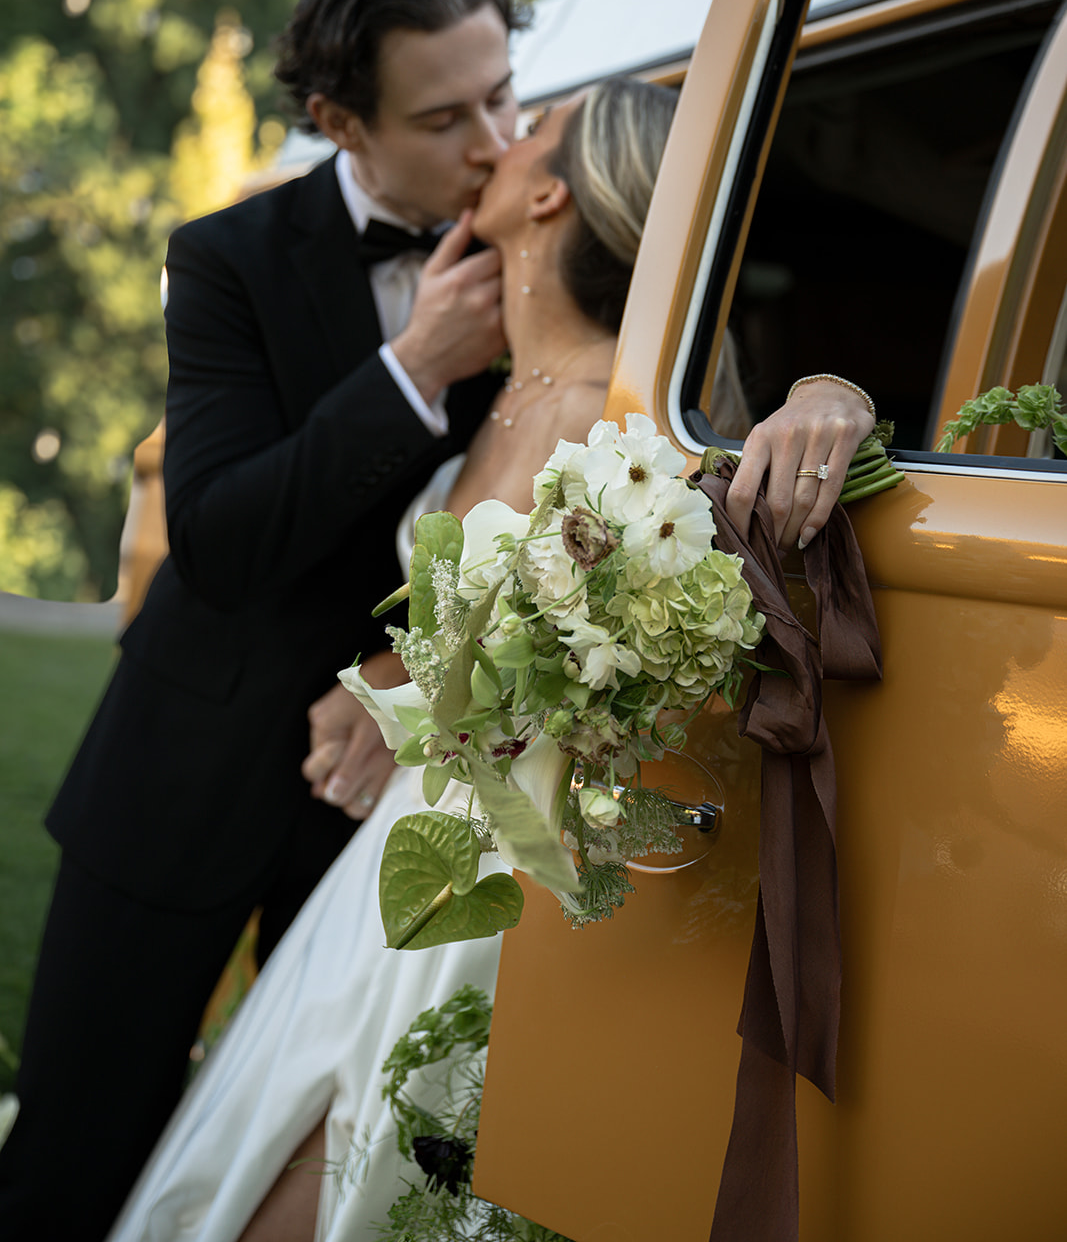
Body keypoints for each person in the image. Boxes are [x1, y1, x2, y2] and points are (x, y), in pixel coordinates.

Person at [105, 78, 877, 1242]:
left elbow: (722, 491)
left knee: (346, 1162)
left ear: (550, 191)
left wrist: (835, 388)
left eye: (526, 128)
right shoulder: (496, 386)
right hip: (389, 851)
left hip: (496, 869)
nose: (493, 146)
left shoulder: (632, 417)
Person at [0, 0, 530, 1242]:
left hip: (383, 803)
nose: (491, 141)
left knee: (294, 1153)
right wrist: (410, 371)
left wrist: (826, 389)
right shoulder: (226, 257)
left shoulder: (547, 237)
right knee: (79, 1136)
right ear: (333, 120)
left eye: (502, 96)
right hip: (178, 765)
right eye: (443, 115)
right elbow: (221, 537)